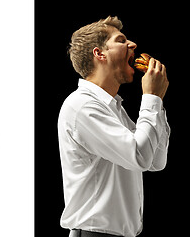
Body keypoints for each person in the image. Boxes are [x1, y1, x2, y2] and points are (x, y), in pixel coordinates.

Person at [57, 16, 170, 237]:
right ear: (99, 54)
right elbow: (140, 157)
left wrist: (157, 102)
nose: (133, 45)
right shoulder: (82, 106)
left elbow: (156, 162)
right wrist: (151, 98)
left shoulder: (114, 107)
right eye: (121, 40)